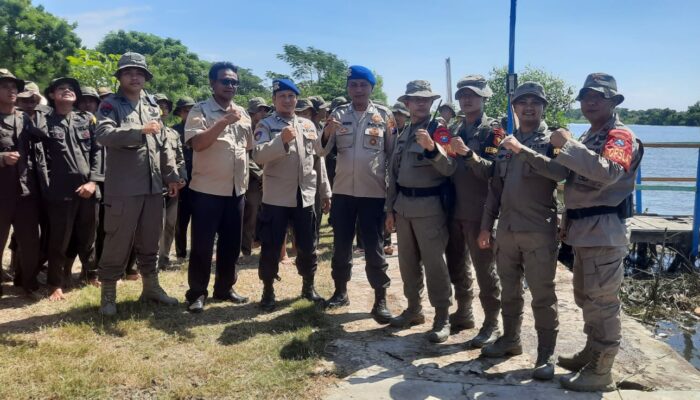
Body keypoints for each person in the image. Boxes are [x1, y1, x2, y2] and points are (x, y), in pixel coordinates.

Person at [552, 73, 643, 392]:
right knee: (586, 295)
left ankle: (602, 369)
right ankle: (592, 352)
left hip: (604, 230)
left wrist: (567, 146)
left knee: (602, 300)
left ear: (613, 102)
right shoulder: (590, 135)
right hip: (584, 229)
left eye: (599, 97)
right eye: (586, 96)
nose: (590, 102)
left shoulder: (618, 136)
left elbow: (609, 173)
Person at [478, 82, 568, 381]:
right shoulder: (506, 143)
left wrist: (524, 151)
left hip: (538, 230)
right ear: (514, 108)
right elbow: (495, 190)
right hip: (507, 230)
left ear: (543, 107)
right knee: (510, 291)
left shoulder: (554, 141)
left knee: (543, 295)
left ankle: (546, 353)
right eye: (522, 102)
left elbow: (560, 173)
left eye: (535, 102)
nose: (528, 106)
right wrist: (485, 226)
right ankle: (510, 340)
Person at [95, 52, 181, 316]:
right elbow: (103, 134)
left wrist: (172, 175)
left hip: (154, 187)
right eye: (129, 72)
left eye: (140, 73)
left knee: (150, 240)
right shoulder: (110, 104)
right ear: (120, 76)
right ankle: (108, 293)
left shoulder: (152, 104)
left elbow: (163, 142)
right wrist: (138, 131)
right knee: (117, 240)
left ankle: (151, 287)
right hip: (124, 187)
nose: (135, 77)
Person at [321, 65, 396, 324]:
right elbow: (321, 151)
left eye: (363, 84)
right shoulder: (338, 114)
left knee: (374, 247)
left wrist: (390, 196)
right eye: (353, 84)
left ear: (371, 87)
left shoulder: (384, 116)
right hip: (343, 192)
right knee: (341, 245)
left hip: (373, 193)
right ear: (348, 88)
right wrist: (328, 131)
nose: (358, 89)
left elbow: (392, 156)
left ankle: (380, 299)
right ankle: (340, 292)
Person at [386, 80, 456, 343]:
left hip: (430, 208)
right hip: (403, 206)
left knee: (435, 264)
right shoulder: (403, 131)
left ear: (431, 102)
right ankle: (414, 309)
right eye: (415, 99)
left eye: (425, 99)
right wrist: (390, 209)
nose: (420, 103)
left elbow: (450, 167)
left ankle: (442, 317)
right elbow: (393, 175)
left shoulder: (439, 130)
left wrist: (431, 149)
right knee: (407, 264)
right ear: (407, 103)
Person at [253, 78, 330, 311]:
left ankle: (308, 286)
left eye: (291, 96)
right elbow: (258, 156)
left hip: (305, 195)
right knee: (271, 245)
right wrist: (281, 141)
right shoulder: (265, 125)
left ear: (296, 99)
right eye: (282, 96)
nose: (287, 100)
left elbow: (319, 156)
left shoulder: (307, 124)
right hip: (276, 197)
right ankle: (268, 290)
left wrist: (325, 190)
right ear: (274, 100)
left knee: (308, 245)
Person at [183, 62, 252, 313]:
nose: (230, 86)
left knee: (231, 245)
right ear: (212, 83)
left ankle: (224, 288)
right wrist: (223, 122)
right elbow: (198, 144)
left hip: (236, 190)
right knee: (202, 245)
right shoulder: (200, 110)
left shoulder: (243, 112)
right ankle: (197, 293)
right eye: (225, 81)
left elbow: (248, 147)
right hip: (206, 190)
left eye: (234, 82)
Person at [444, 75, 503, 346]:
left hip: (480, 210)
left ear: (483, 97)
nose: (467, 99)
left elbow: (494, 171)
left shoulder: (493, 130)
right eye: (462, 95)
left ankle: (492, 322)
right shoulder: (454, 127)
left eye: (473, 95)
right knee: (456, 264)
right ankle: (464, 311)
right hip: (453, 208)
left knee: (484, 270)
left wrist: (469, 155)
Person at [36, 77, 104, 300]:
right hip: (60, 190)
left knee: (89, 235)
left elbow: (98, 152)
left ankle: (90, 274)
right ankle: (55, 282)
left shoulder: (86, 119)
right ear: (52, 95)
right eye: (61, 89)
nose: (67, 91)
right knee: (59, 238)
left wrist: (93, 182)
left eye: (71, 89)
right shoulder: (44, 120)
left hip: (89, 187)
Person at [0, 69, 42, 298]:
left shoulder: (24, 117)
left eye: (14, 86)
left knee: (30, 242)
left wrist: (40, 103)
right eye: (5, 86)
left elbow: (43, 137)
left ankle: (29, 283)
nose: (12, 90)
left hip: (25, 192)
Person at [154, 93, 187, 270]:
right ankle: (149, 261)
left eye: (165, 106)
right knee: (154, 225)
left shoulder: (173, 133)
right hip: (152, 184)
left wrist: (180, 178)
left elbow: (180, 159)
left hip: (172, 186)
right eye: (159, 105)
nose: (162, 109)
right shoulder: (145, 130)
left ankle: (164, 259)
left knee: (170, 224)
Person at [240, 97, 271, 264]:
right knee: (250, 213)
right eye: (261, 110)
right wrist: (260, 175)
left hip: (266, 177)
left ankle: (257, 242)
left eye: (266, 110)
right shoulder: (245, 127)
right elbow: (247, 155)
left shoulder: (266, 127)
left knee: (261, 212)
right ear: (253, 111)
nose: (264, 113)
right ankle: (245, 249)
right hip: (251, 179)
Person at [173, 96, 196, 260]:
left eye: (192, 110)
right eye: (186, 110)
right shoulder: (173, 132)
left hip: (201, 179)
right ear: (180, 113)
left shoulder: (202, 130)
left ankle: (197, 251)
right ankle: (181, 253)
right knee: (181, 219)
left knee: (200, 219)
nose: (189, 114)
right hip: (181, 181)